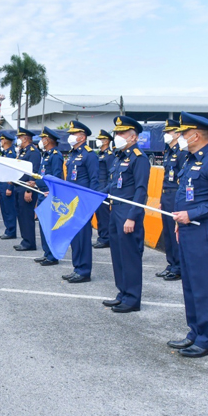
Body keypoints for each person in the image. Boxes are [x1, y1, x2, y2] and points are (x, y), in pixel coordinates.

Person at [168, 112, 208, 358]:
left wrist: (192, 215)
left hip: (204, 231)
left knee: (203, 285)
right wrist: (181, 219)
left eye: (183, 133)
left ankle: (207, 341)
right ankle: (194, 333)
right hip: (187, 229)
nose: (180, 137)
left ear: (195, 135)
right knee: (190, 285)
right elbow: (186, 193)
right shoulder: (190, 160)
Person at [99, 116, 151, 312]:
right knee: (118, 255)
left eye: (121, 133)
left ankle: (132, 298)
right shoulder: (120, 157)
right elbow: (112, 185)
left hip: (129, 213)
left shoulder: (139, 158)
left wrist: (132, 217)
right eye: (117, 133)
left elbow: (141, 191)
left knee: (130, 256)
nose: (117, 136)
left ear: (133, 137)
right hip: (116, 210)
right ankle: (122, 292)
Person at [59, 121, 99, 283]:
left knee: (83, 237)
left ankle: (84, 270)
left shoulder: (89, 155)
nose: (70, 137)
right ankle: (77, 267)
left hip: (82, 203)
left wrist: (89, 204)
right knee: (75, 237)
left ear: (82, 137)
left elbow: (94, 181)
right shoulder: (73, 154)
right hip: (71, 203)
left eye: (73, 134)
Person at [158, 119, 186, 281]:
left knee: (175, 232)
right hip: (167, 194)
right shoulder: (168, 151)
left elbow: (182, 178)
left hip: (175, 194)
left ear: (177, 133)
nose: (166, 135)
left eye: (169, 132)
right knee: (168, 232)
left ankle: (178, 267)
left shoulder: (181, 152)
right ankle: (171, 263)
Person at [34, 127, 65, 266]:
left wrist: (53, 192)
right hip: (42, 193)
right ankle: (47, 253)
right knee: (43, 225)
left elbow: (57, 177)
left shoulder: (55, 155)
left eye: (42, 138)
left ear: (48, 140)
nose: (41, 141)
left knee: (50, 226)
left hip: (49, 195)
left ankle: (52, 256)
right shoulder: (46, 154)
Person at [14, 127, 40, 252]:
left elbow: (33, 172)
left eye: (19, 138)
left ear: (25, 139)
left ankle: (29, 243)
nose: (18, 140)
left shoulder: (33, 152)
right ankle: (25, 240)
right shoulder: (23, 151)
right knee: (21, 215)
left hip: (26, 188)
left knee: (27, 216)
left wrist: (29, 190)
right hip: (19, 186)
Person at [93, 129, 116, 250]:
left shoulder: (110, 156)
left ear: (107, 141)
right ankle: (102, 236)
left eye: (101, 139)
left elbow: (110, 175)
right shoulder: (100, 154)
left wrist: (106, 190)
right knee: (99, 215)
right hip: (98, 188)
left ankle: (106, 238)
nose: (99, 141)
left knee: (104, 215)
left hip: (104, 189)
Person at [0, 130, 18, 240]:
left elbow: (12, 173)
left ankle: (11, 230)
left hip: (7, 185)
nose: (0, 141)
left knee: (9, 209)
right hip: (2, 184)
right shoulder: (5, 153)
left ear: (5, 141)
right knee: (4, 208)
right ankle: (8, 229)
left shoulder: (11, 154)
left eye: (1, 139)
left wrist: (10, 187)